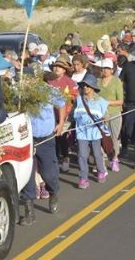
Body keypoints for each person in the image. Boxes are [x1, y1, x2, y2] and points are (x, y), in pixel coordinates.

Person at [19, 80, 67, 226]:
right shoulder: (19, 92)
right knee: (27, 174)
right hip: (27, 138)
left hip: (46, 138)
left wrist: (60, 123)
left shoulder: (48, 90)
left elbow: (62, 103)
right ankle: (29, 213)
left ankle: (53, 191)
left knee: (48, 172)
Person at [74, 73, 109, 189]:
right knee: (82, 155)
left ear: (93, 87)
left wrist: (105, 119)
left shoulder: (101, 101)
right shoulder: (78, 100)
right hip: (81, 132)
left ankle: (101, 171)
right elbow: (72, 116)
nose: (85, 88)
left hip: (95, 132)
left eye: (88, 86)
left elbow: (106, 115)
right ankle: (83, 178)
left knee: (97, 154)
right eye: (83, 85)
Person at [48, 55, 77, 172]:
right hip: (51, 114)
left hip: (66, 114)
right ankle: (55, 160)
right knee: (53, 138)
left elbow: (76, 97)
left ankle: (65, 158)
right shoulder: (49, 81)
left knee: (62, 137)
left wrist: (68, 96)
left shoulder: (70, 82)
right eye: (55, 66)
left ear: (64, 69)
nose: (56, 69)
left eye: (59, 67)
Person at [97, 58, 123, 172]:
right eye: (104, 68)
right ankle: (102, 160)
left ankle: (115, 158)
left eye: (108, 68)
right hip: (101, 114)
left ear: (112, 70)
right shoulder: (98, 81)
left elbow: (120, 100)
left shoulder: (116, 81)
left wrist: (107, 102)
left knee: (114, 136)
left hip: (114, 112)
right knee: (102, 137)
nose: (105, 71)